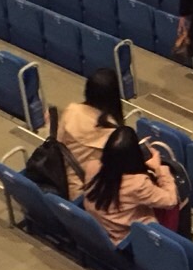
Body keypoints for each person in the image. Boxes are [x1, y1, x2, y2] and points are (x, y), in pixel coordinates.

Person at [84, 127, 180, 246]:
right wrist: (158, 168)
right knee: (176, 196)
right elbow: (171, 200)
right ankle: (178, 238)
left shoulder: (91, 166)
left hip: (102, 229)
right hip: (126, 238)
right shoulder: (137, 184)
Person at [58, 68, 125, 201]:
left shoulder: (72, 110)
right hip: (87, 196)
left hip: (59, 181)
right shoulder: (114, 134)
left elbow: (57, 144)